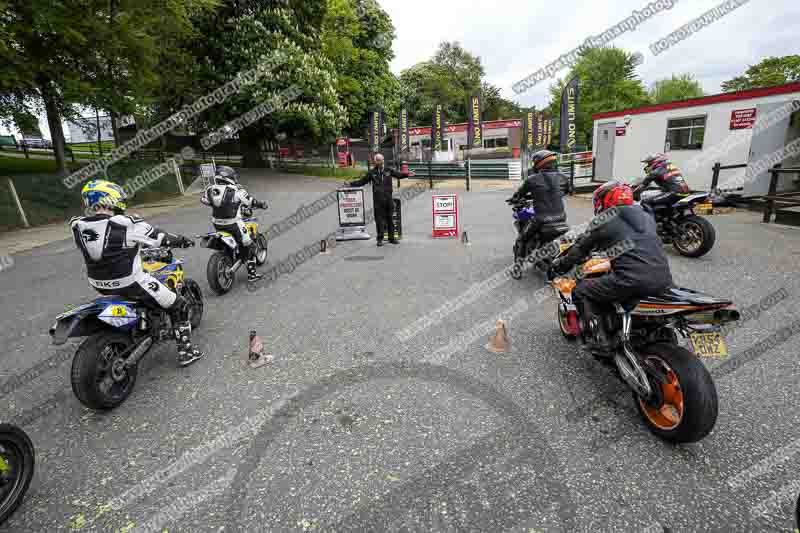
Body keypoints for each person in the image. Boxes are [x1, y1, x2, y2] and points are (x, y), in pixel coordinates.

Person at [71, 179, 205, 366]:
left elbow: (107, 249)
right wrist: (182, 240)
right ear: (110, 198)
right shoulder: (125, 223)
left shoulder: (77, 225)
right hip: (130, 283)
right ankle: (186, 352)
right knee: (178, 304)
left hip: (99, 284)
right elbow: (160, 238)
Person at [549, 180, 674, 349]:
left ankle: (600, 339)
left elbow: (580, 249)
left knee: (580, 290)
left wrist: (558, 268)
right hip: (665, 280)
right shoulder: (646, 214)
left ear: (605, 200)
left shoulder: (604, 220)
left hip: (631, 281)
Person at [201, 171, 268, 282]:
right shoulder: (236, 190)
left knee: (236, 240)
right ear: (228, 177)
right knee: (249, 245)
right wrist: (261, 204)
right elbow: (251, 201)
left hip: (217, 223)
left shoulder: (210, 189)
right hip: (233, 223)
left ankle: (231, 253)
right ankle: (252, 275)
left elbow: (204, 200)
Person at [508, 150, 570, 257]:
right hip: (561, 219)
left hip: (541, 220)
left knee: (522, 238)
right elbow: (566, 191)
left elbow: (518, 195)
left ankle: (518, 265)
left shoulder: (532, 180)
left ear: (538, 163)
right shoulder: (563, 178)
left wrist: (514, 199)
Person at [346, 153, 409, 246]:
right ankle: (380, 239)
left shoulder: (388, 170)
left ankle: (392, 238)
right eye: (378, 160)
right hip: (378, 200)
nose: (381, 161)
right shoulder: (372, 172)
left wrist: (407, 174)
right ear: (375, 162)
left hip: (388, 199)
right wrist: (351, 184)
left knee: (390, 219)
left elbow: (398, 175)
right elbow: (362, 181)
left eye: (382, 159)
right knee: (379, 220)